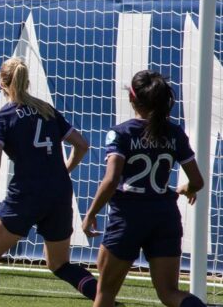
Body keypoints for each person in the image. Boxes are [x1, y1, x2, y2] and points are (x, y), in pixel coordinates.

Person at [0, 57, 97, 306]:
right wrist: (64, 170)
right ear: (27, 81)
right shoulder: (47, 110)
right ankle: (104, 297)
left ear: (1, 82)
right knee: (59, 263)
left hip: (27, 193)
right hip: (59, 192)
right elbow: (82, 145)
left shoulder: (2, 117)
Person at [82, 70, 206, 307]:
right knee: (170, 293)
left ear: (132, 98)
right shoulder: (174, 133)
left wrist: (90, 214)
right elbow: (198, 181)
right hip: (165, 217)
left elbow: (111, 180)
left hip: (127, 218)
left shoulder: (121, 133)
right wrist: (187, 188)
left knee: (105, 293)